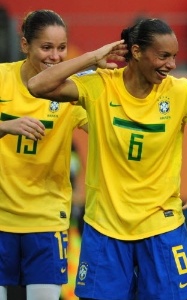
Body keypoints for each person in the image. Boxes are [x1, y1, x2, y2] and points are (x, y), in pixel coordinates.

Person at [27, 18, 187, 300]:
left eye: (173, 56)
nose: (171, 64)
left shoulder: (180, 92)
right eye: (163, 56)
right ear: (136, 52)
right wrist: (92, 57)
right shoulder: (100, 86)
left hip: (161, 224)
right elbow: (38, 85)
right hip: (105, 227)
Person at [0, 9, 88, 300]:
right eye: (46, 47)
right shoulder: (2, 77)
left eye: (61, 48)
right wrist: (5, 125)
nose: (55, 56)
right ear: (25, 45)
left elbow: (109, 128)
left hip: (47, 220)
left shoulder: (72, 92)